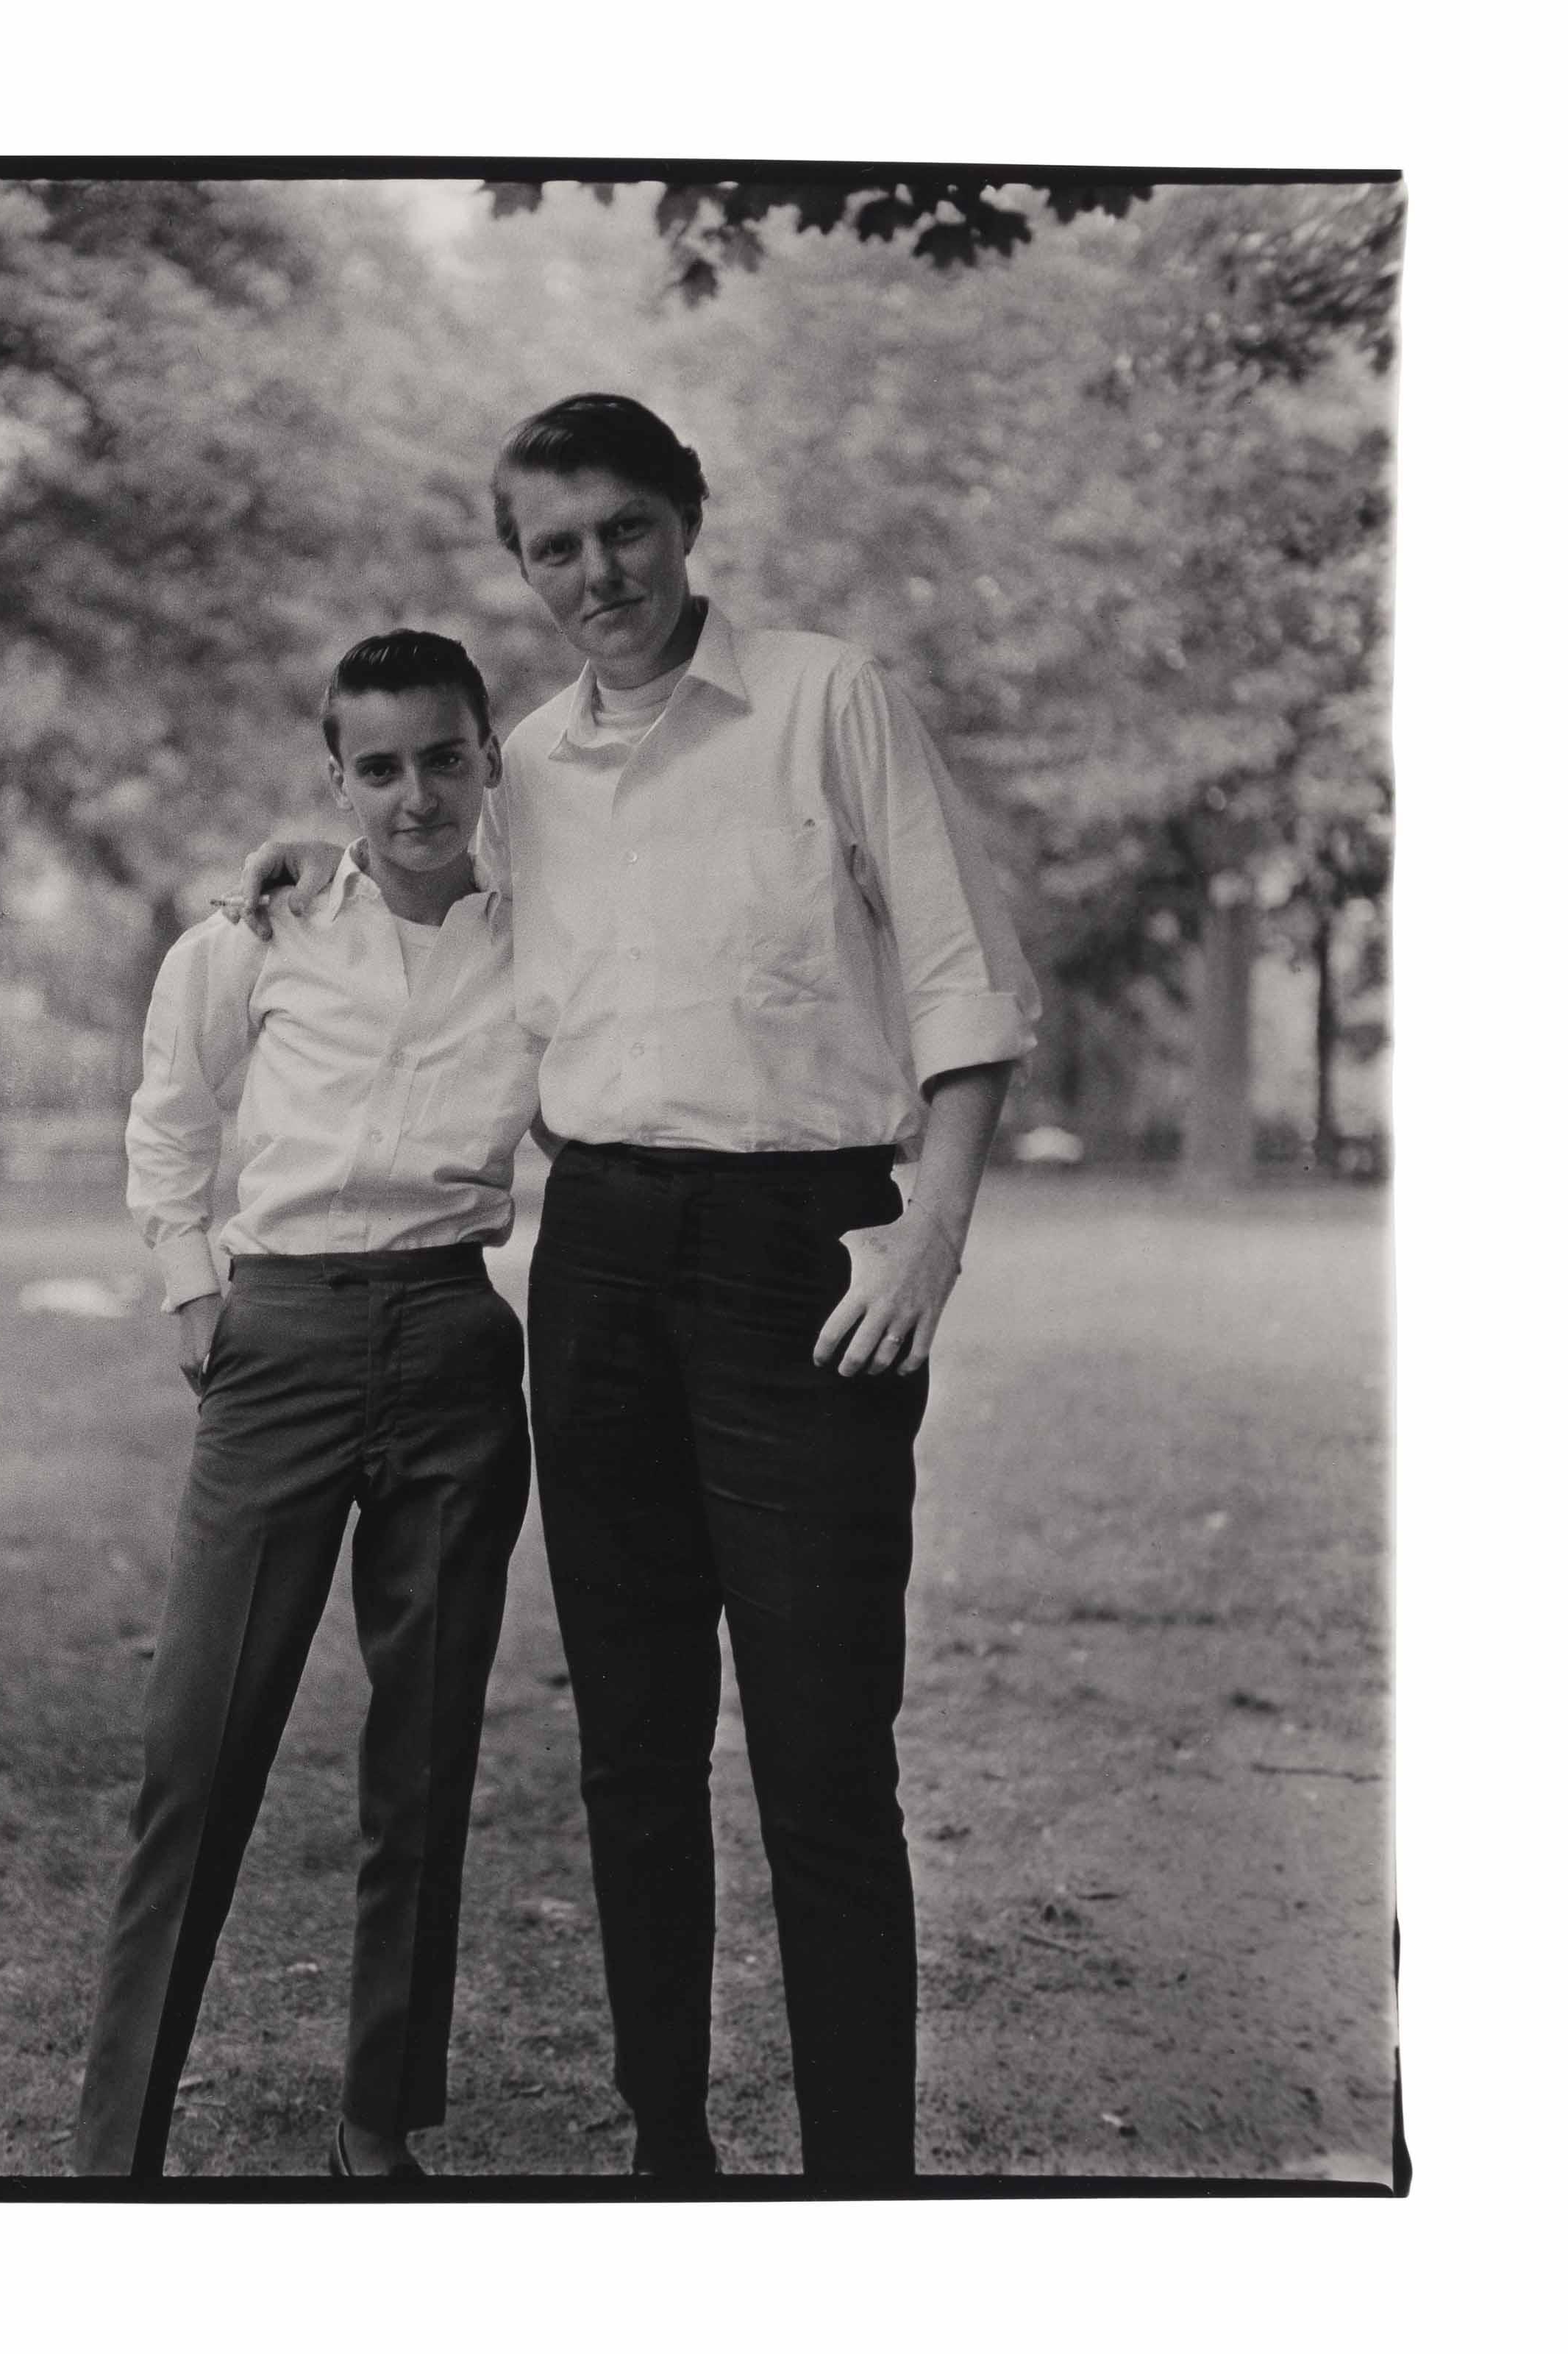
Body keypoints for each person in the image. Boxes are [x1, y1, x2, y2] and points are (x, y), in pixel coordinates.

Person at [232, 395, 1041, 2183]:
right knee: (633, 1752)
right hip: (594, 1265)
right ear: (519, 568)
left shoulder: (832, 701)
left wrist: (931, 1231)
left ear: (688, 516)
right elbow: (423, 852)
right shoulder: (520, 767)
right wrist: (313, 852)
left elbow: (966, 990)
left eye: (622, 528)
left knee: (825, 1759)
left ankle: (857, 2186)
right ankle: (666, 2156)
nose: (595, 571)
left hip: (806, 1265)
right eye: (553, 545)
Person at [71, 630, 541, 2180]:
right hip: (281, 1335)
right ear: (334, 778)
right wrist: (197, 1293)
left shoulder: (541, 934)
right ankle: (115, 2150)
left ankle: (382, 2126)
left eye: (445, 758)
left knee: (422, 1758)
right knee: (196, 1747)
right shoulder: (252, 937)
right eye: (380, 766)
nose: (417, 794)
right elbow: (173, 1114)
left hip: (456, 1345)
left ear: (489, 758)